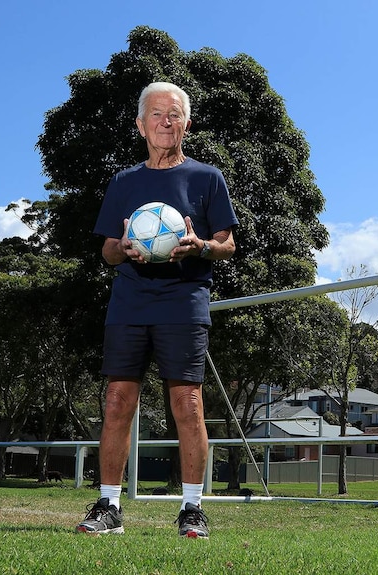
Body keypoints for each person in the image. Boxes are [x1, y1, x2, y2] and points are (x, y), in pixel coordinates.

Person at [76, 81, 239, 539]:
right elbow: (107, 249)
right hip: (129, 302)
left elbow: (227, 244)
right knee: (116, 401)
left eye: (174, 114)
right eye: (156, 114)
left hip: (184, 302)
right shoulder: (124, 182)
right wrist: (123, 248)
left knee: (187, 403)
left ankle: (192, 509)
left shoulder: (208, 178)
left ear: (187, 123)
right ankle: (108, 505)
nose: (165, 121)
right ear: (140, 124)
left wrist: (201, 245)